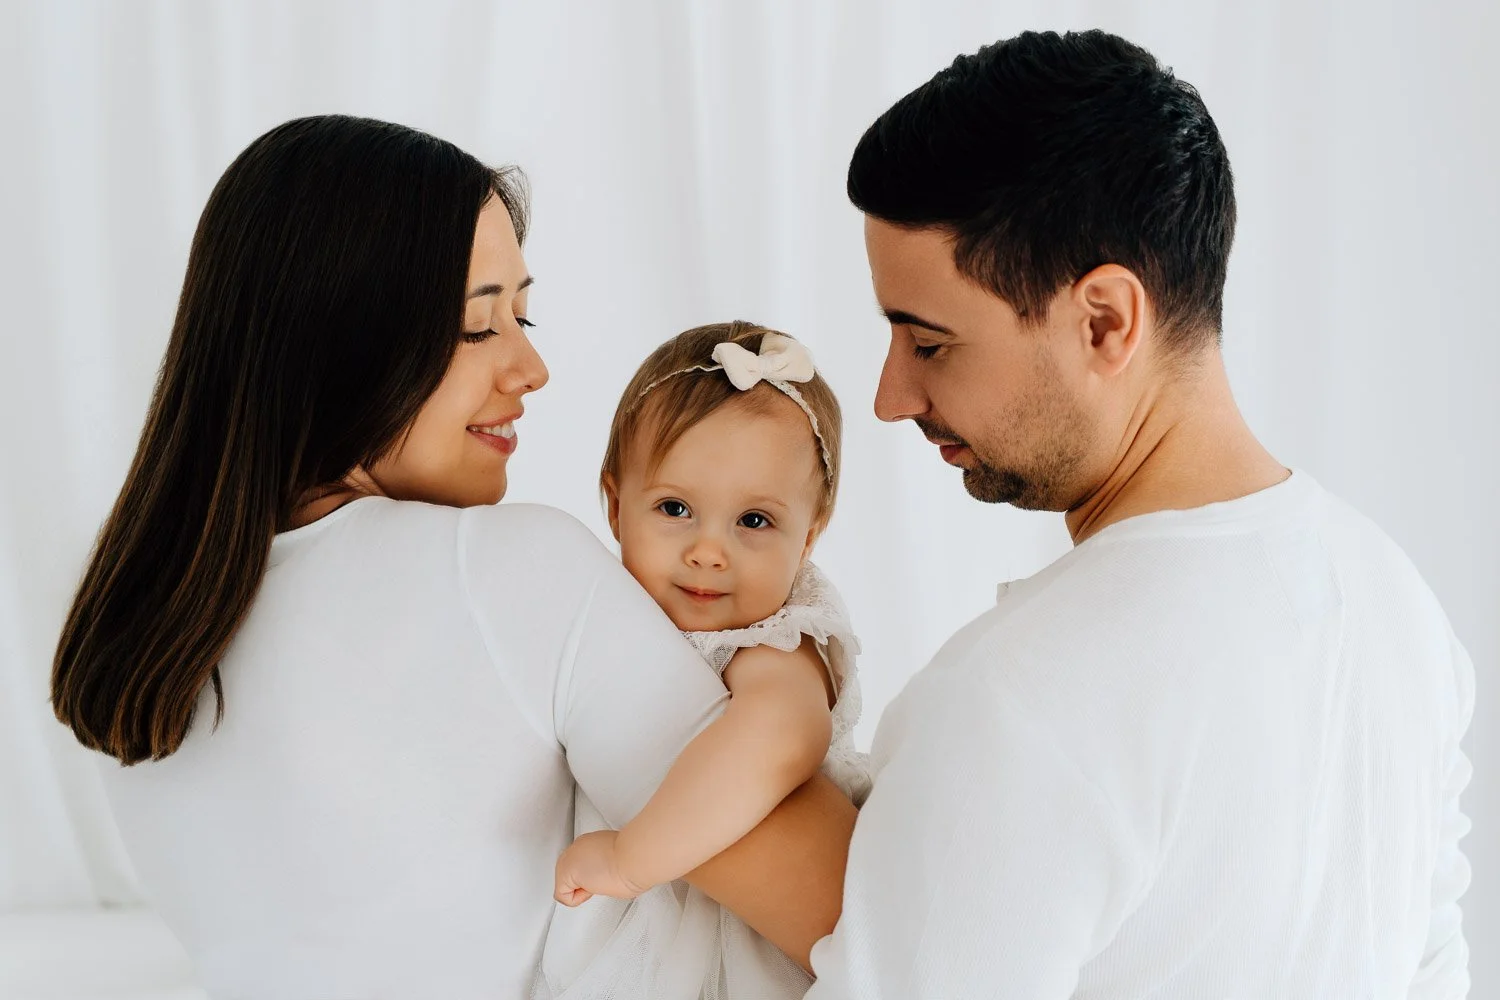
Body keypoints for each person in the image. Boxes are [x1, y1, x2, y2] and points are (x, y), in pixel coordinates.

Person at [49, 115, 854, 998]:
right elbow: (863, 921)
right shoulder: (505, 573)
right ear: (346, 339)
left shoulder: (138, 629)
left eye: (524, 312)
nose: (532, 366)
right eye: (481, 328)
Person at [806, 30, 1474, 999]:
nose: (888, 395)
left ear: (1105, 321)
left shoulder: (1020, 699)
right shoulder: (1400, 610)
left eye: (930, 343)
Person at [535, 322, 870, 1000]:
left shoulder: (777, 635)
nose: (708, 551)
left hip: (745, 945)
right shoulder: (599, 608)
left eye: (753, 521)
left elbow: (779, 738)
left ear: (810, 534)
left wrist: (631, 863)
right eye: (676, 508)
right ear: (614, 505)